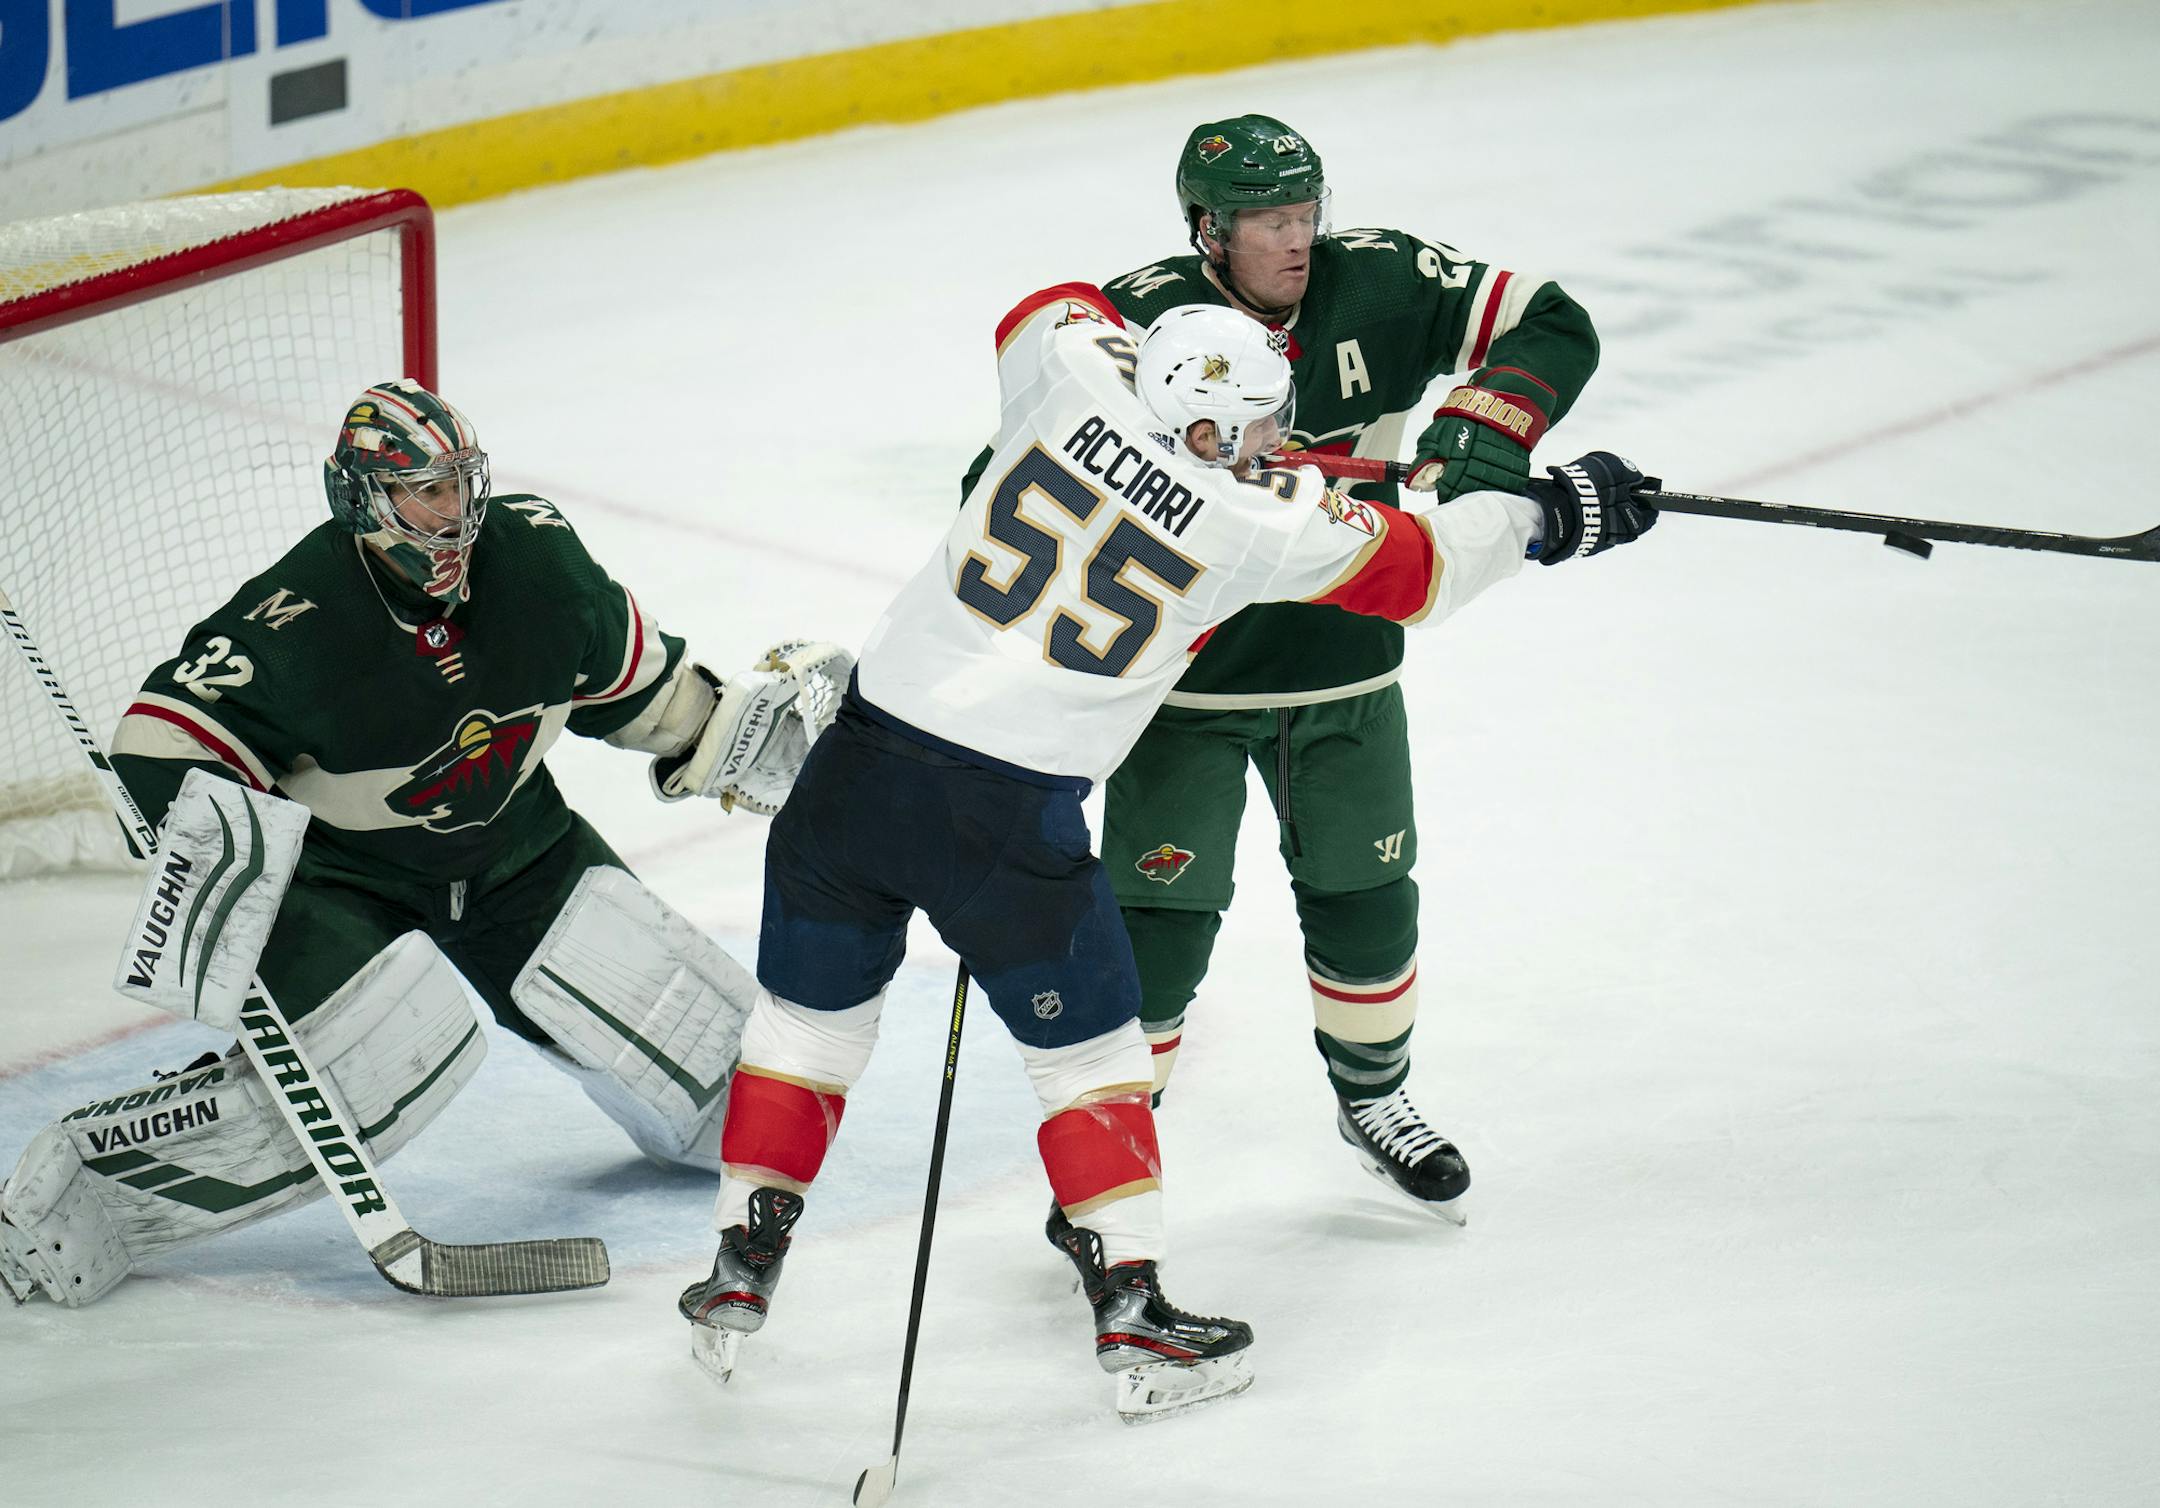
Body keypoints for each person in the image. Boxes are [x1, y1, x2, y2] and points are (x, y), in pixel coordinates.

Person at [679, 291, 1656, 1418]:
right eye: (1259, 425)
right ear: (1208, 428)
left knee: (803, 1029)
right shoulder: (1262, 521)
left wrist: (1158, 378)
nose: (1278, 441)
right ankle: (1133, 1309)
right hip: (1005, 819)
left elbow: (1046, 310)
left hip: (852, 775)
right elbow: (1426, 572)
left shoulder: (1073, 373)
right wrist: (1550, 513)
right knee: (1091, 1062)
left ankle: (739, 1267)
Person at [0, 378, 846, 1307]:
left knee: (732, 1106)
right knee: (380, 1065)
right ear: (364, 498)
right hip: (344, 883)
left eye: (460, 485)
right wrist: (215, 868)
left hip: (519, 854)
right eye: (425, 493)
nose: (454, 514)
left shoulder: (538, 560)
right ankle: (72, 1198)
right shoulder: (297, 619)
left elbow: (647, 693)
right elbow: (157, 751)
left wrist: (743, 736)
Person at [965, 114, 1603, 1223]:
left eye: (1306, 213)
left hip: (1346, 671)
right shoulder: (1138, 322)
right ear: (1208, 230)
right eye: (1268, 221)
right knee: (1159, 931)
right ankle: (1111, 1161)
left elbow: (1553, 320)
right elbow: (1020, 462)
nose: (1297, 239)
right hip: (1186, 691)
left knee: (1368, 900)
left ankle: (1375, 1097)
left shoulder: (1385, 279)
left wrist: (1488, 417)